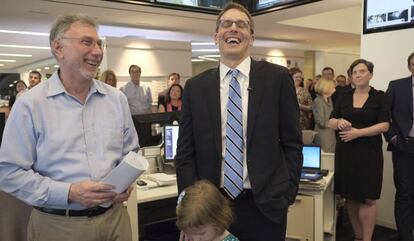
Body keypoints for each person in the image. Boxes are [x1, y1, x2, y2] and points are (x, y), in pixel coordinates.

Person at [0, 13, 139, 241]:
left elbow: (131, 151)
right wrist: (69, 193)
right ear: (59, 48)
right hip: (58, 226)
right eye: (87, 42)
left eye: (99, 43)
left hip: (116, 221)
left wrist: (124, 180)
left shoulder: (116, 99)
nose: (98, 51)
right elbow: (9, 173)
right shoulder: (30, 104)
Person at [174, 3, 302, 241]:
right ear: (216, 37)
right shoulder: (196, 87)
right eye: (226, 24)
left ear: (251, 37)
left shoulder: (277, 79)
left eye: (241, 24)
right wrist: (187, 207)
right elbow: (185, 154)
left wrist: (287, 193)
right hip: (211, 208)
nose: (233, 29)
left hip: (265, 205)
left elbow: (292, 142)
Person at [328, 59, 390, 241]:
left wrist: (359, 133)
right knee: (350, 197)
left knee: (368, 198)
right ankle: (357, 236)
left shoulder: (380, 96)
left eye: (362, 71)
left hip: (369, 153)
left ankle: (367, 239)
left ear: (370, 74)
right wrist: (339, 122)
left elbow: (385, 125)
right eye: (354, 72)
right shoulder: (343, 95)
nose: (357, 75)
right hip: (346, 153)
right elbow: (331, 121)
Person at [384, 51, 414, 241]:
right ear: (409, 66)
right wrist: (393, 138)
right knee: (404, 193)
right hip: (405, 147)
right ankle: (405, 236)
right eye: (413, 63)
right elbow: (384, 114)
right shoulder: (396, 86)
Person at [312, 78, 336, 153]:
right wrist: (336, 124)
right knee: (325, 157)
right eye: (333, 88)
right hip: (323, 134)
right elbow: (320, 121)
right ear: (326, 88)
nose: (335, 90)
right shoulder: (318, 101)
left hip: (330, 133)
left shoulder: (329, 99)